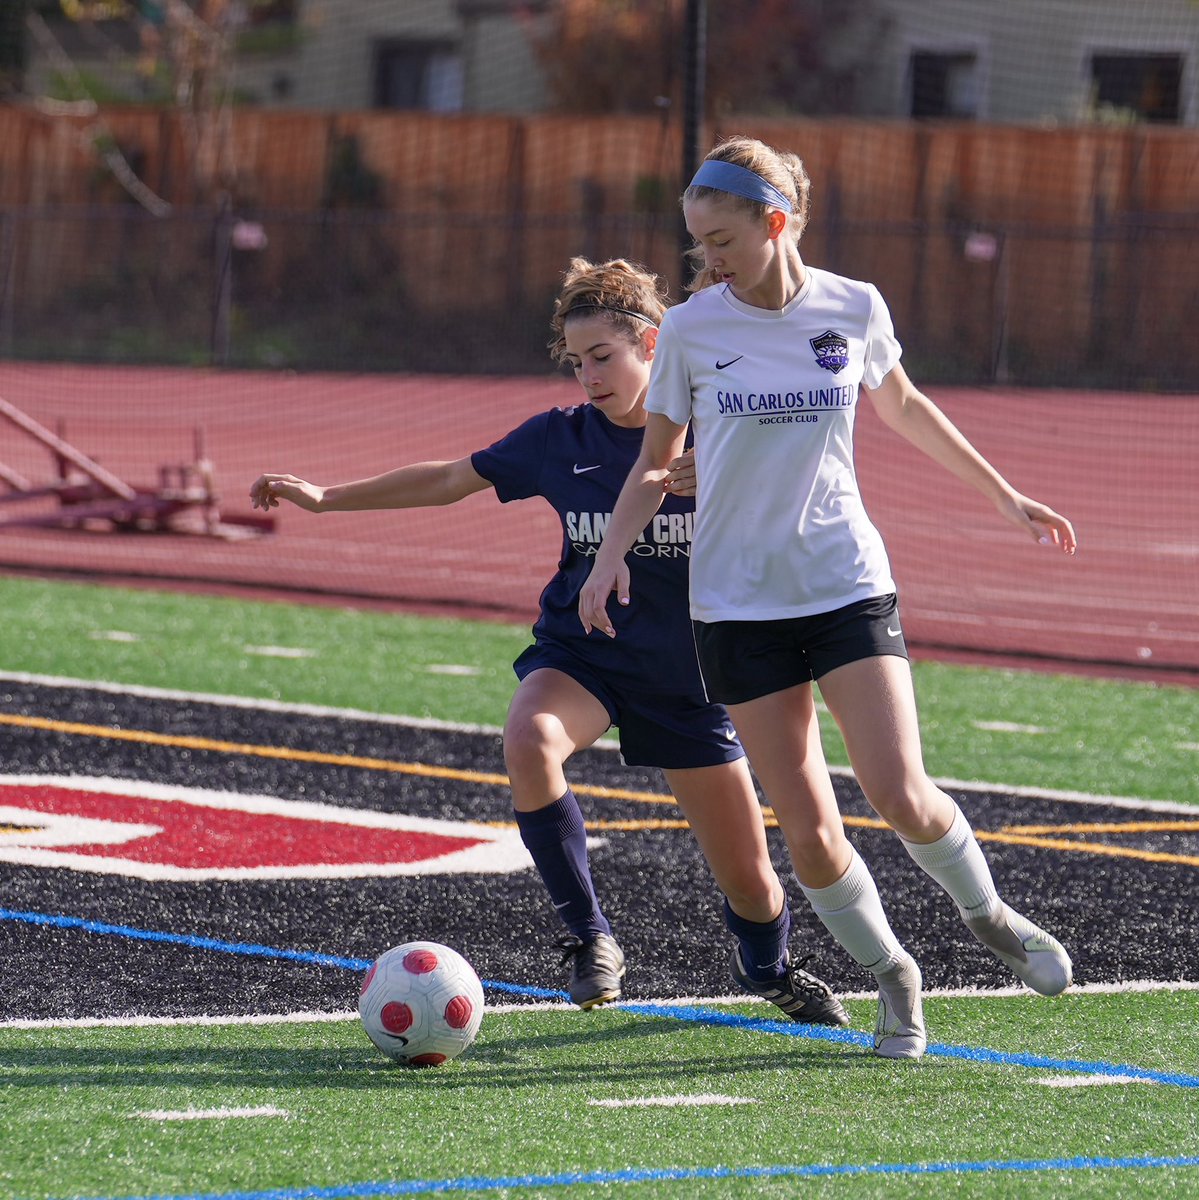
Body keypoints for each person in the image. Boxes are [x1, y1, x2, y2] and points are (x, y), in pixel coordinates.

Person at [249, 255, 848, 1027]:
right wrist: (329, 499)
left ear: (654, 347)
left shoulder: (724, 432)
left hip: (692, 678)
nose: (588, 376)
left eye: (603, 356)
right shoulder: (559, 438)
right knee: (529, 739)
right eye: (576, 362)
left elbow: (812, 488)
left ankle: (769, 971)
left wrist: (743, 480)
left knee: (753, 884)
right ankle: (588, 938)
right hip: (586, 653)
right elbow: (446, 478)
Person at [578, 137, 1076, 1060]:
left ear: (775, 222)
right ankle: (893, 975)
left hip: (846, 584)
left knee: (899, 790)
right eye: (697, 241)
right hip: (733, 605)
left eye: (721, 238)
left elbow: (907, 406)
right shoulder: (690, 328)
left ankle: (987, 913)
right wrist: (610, 559)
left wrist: (1004, 496)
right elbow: (654, 465)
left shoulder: (854, 307)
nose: (706, 258)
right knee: (807, 834)